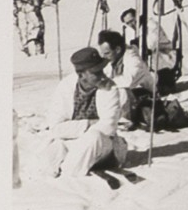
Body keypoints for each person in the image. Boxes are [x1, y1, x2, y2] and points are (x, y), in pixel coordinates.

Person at [43, 47, 128, 179]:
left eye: (101, 70)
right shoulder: (65, 87)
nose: (102, 76)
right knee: (52, 148)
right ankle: (59, 170)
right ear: (81, 74)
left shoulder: (109, 88)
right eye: (96, 72)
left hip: (102, 148)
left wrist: (73, 129)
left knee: (93, 138)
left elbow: (108, 128)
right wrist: (88, 123)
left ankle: (67, 176)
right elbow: (55, 128)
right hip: (72, 142)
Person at [97, 29, 155, 124]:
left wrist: (104, 83)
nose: (104, 56)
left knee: (120, 90)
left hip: (145, 97)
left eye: (107, 53)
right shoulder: (114, 60)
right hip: (130, 100)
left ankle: (123, 120)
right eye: (103, 53)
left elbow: (129, 81)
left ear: (118, 50)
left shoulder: (133, 59)